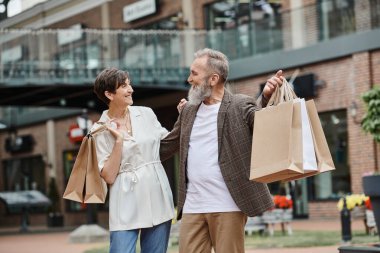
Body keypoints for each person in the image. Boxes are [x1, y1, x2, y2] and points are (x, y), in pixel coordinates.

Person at [160, 48, 284, 253]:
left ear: (213, 79)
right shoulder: (189, 110)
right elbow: (166, 146)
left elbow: (260, 123)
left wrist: (267, 96)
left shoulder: (240, 104)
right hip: (193, 204)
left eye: (194, 73)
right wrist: (128, 142)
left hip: (228, 204)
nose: (189, 79)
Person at [92, 68, 175, 253]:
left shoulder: (146, 114)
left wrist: (185, 116)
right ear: (109, 94)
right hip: (125, 200)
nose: (131, 89)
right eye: (123, 86)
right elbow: (109, 176)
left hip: (156, 195)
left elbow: (169, 142)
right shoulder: (99, 129)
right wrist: (119, 141)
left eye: (129, 84)